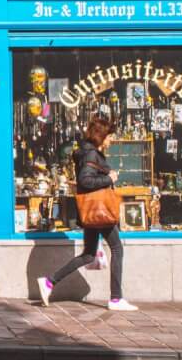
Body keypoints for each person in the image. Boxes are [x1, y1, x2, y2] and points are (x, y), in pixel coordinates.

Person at [37, 115, 138, 311]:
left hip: (91, 212)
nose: (111, 141)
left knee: (89, 255)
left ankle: (49, 282)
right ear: (101, 137)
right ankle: (116, 299)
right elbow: (85, 181)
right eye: (109, 137)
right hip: (100, 211)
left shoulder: (86, 153)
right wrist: (109, 178)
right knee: (117, 249)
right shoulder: (92, 156)